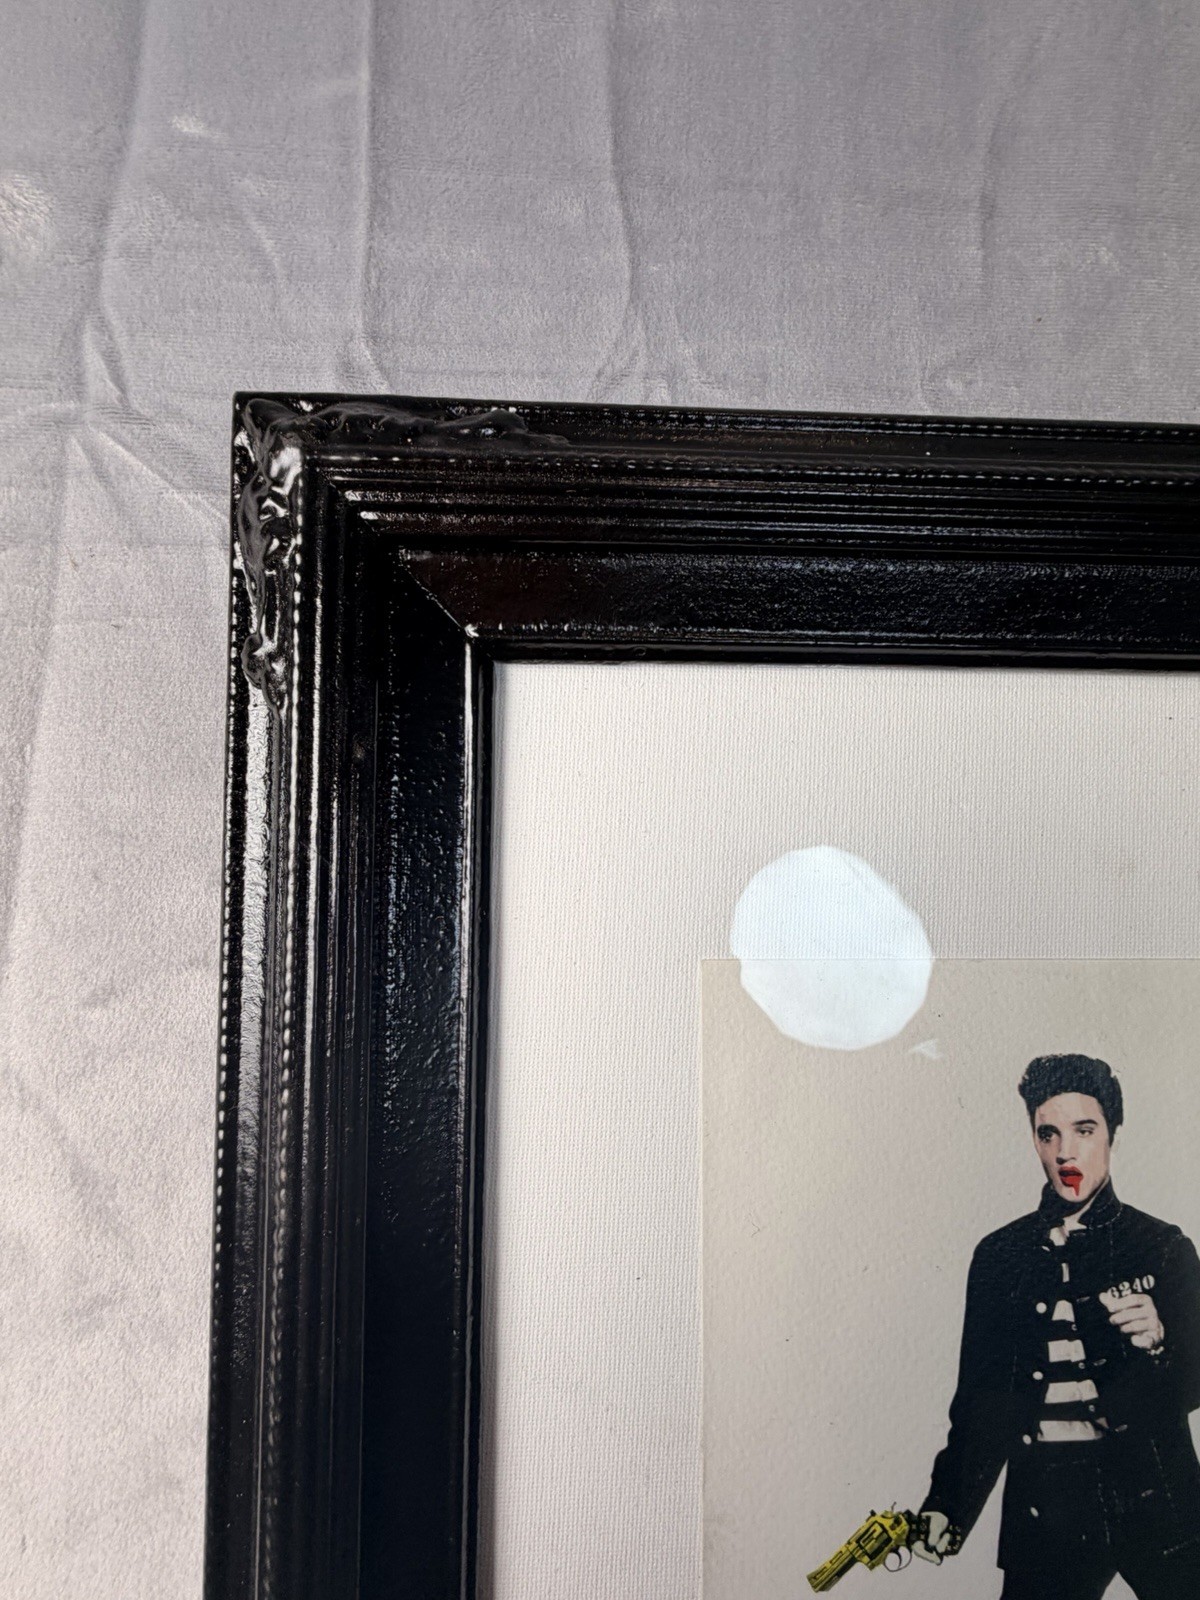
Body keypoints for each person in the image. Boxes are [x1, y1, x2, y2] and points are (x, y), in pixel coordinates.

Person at [913, 1054, 1200, 1599]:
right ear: (1034, 1140)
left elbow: (1193, 1381)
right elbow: (980, 1400)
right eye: (1049, 1134)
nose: (1065, 1151)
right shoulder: (1000, 1256)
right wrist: (947, 1504)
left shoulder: (1161, 1246)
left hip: (1155, 1500)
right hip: (1047, 1507)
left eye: (1084, 1130)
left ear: (1112, 1135)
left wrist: (1161, 1343)